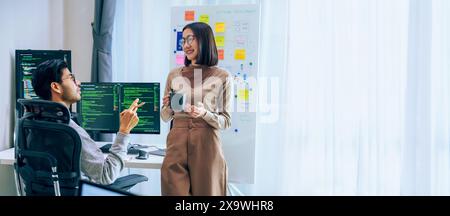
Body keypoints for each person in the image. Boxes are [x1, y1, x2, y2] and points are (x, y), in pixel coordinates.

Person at [31, 59, 144, 185]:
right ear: (56, 87)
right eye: (72, 78)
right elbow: (106, 175)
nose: (78, 83)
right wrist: (124, 131)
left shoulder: (32, 123)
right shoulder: (70, 130)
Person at [161, 22, 232, 196]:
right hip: (176, 144)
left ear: (205, 40)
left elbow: (226, 121)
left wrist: (204, 114)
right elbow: (164, 116)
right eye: (183, 40)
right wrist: (170, 106)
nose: (186, 45)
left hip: (207, 146)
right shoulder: (174, 74)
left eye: (190, 39)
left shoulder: (222, 76)